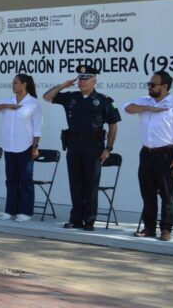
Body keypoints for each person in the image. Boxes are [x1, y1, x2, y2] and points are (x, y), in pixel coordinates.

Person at [43, 65, 120, 231]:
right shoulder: (71, 97)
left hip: (94, 148)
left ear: (94, 81)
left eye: (86, 79)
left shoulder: (104, 100)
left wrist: (109, 148)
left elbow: (113, 125)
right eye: (80, 79)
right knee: (76, 183)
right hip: (74, 146)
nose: (82, 82)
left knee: (91, 185)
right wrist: (64, 85)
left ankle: (89, 220)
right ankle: (76, 219)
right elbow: (47, 97)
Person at [124, 71, 173, 241]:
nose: (149, 87)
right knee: (148, 193)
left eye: (153, 84)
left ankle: (166, 229)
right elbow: (127, 108)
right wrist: (148, 108)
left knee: (167, 194)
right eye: (149, 84)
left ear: (164, 86)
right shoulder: (144, 101)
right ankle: (149, 228)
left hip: (167, 154)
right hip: (147, 153)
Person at [0, 74, 43, 222]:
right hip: (9, 146)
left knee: (26, 180)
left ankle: (25, 212)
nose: (13, 85)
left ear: (24, 84)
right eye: (13, 83)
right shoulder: (8, 101)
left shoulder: (33, 103)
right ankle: (10, 210)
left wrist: (35, 147)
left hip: (25, 146)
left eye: (16, 83)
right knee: (11, 180)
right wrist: (8, 106)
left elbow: (37, 129)